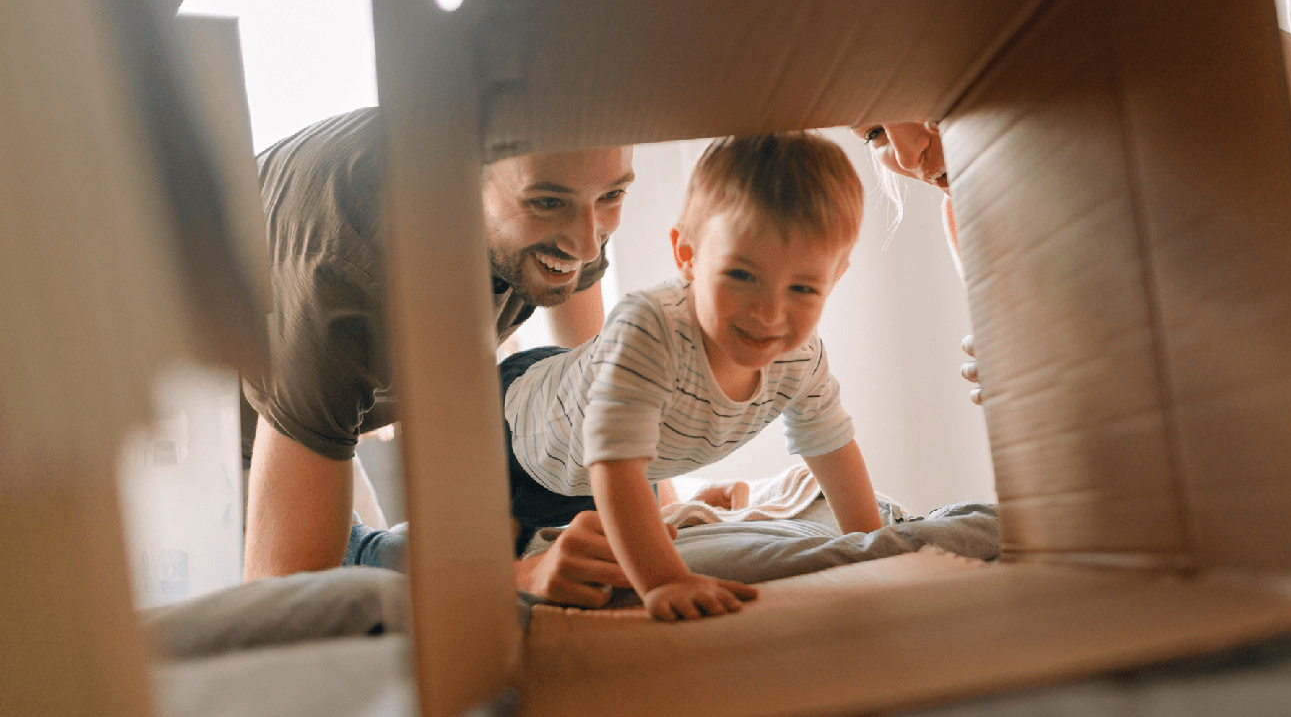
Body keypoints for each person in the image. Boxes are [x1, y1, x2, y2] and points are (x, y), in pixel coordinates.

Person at [852, 32, 1291, 477]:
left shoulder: (1151, 39)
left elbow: (1258, 233)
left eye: (926, 107)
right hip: (1263, 351)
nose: (909, 155)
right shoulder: (977, 220)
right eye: (875, 132)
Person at [242, 106, 638, 602]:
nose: (585, 244)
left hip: (321, 408)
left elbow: (599, 399)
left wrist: (657, 509)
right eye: (546, 203)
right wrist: (519, 579)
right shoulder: (345, 274)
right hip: (204, 437)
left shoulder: (571, 197)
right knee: (338, 602)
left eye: (613, 195)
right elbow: (280, 599)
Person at [499, 132, 883, 620]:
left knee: (594, 542)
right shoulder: (650, 331)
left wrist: (874, 545)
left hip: (593, 471)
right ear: (687, 255)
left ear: (836, 275)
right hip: (511, 434)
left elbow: (831, 446)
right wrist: (666, 581)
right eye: (741, 276)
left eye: (804, 288)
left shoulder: (800, 358)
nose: (769, 313)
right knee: (473, 570)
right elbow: (615, 468)